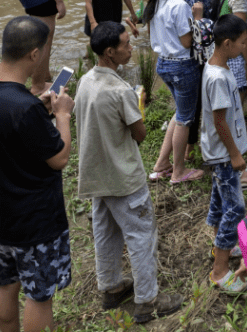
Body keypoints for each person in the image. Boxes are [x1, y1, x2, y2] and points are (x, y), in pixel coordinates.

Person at [0, 16, 74, 332]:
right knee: (39, 297)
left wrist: (38, 108)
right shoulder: (24, 108)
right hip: (36, 224)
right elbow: (60, 157)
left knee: (6, 284)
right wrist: (63, 115)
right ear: (35, 54)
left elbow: (7, 128)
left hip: (1, 219)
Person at [75, 22, 183, 322]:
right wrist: (140, 104)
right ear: (110, 52)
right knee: (141, 235)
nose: (130, 47)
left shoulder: (85, 82)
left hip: (96, 175)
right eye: (125, 44)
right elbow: (139, 134)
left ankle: (110, 286)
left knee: (105, 232)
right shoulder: (120, 90)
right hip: (123, 177)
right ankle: (148, 301)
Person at [200, 14, 247, 291]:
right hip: (222, 153)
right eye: (242, 43)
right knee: (236, 207)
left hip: (219, 150)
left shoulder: (216, 65)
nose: (245, 47)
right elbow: (220, 120)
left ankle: (222, 245)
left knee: (220, 200)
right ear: (228, 43)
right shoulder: (218, 78)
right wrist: (234, 154)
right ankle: (219, 272)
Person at [144, 0, 205, 185]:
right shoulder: (179, 5)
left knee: (179, 113)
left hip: (164, 63)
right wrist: (197, 18)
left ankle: (161, 165)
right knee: (184, 119)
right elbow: (188, 42)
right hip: (181, 64)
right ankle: (178, 172)